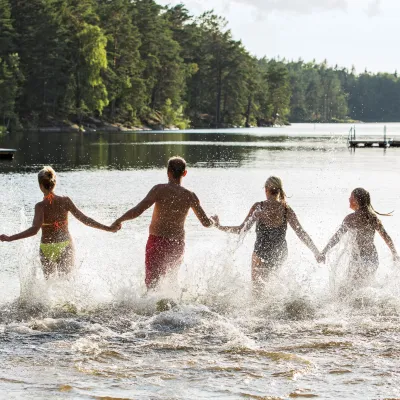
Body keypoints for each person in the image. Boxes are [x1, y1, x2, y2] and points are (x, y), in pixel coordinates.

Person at [111, 156, 214, 289]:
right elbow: (206, 223)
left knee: (152, 284)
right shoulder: (190, 196)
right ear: (185, 173)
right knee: (171, 282)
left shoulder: (159, 190)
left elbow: (138, 210)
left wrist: (119, 220)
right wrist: (215, 222)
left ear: (168, 172)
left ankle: (152, 307)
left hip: (157, 241)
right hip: (177, 244)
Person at [0, 166, 118, 278]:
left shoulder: (40, 206)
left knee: (50, 288)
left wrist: (10, 238)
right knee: (66, 284)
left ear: (41, 186)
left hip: (46, 248)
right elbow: (85, 219)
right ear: (54, 183)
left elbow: (34, 230)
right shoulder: (65, 201)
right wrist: (108, 228)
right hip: (65, 245)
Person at [212, 176, 320, 292]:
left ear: (266, 190)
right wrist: (316, 252)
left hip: (261, 251)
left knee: (257, 290)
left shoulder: (259, 207)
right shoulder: (286, 210)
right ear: (279, 190)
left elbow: (241, 229)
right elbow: (301, 233)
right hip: (280, 253)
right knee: (270, 287)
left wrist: (219, 226)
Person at [318, 188, 399, 287]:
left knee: (352, 287)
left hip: (359, 258)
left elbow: (336, 238)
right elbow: (386, 237)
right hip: (372, 257)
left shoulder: (350, 219)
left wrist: (324, 252)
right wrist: (394, 253)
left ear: (355, 200)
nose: (348, 199)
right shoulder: (372, 217)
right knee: (365, 285)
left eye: (351, 197)